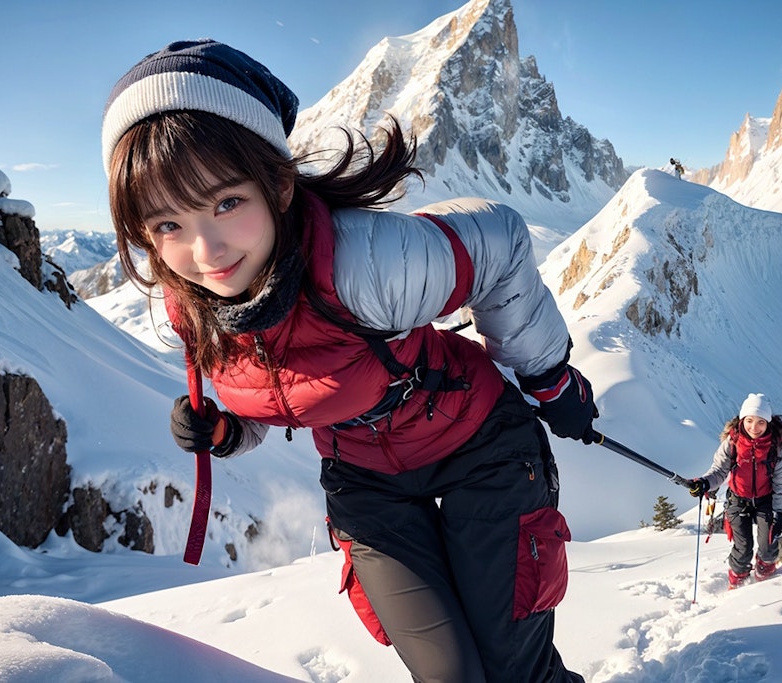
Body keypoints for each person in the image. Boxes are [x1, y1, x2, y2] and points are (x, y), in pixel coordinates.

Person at [102, 39, 595, 682]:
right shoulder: (192, 306)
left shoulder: (364, 266)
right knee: (450, 675)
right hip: (366, 480)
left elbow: (497, 242)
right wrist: (229, 432)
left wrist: (548, 376)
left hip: (479, 443)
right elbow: (289, 392)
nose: (206, 249)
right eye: (167, 224)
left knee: (514, 668)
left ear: (277, 185)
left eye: (227, 203)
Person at [686, 393, 782, 589]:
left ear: (768, 423)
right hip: (738, 500)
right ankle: (737, 582)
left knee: (769, 546)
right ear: (742, 420)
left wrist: (780, 516)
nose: (754, 427)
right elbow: (719, 471)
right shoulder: (733, 443)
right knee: (742, 549)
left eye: (761, 422)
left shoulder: (776, 448)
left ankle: (765, 579)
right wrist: (704, 483)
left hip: (766, 500)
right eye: (750, 420)